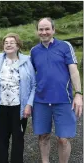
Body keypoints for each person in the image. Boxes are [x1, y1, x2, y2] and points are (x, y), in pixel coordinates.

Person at [30, 17, 83, 163]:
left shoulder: (65, 46)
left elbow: (74, 71)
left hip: (63, 100)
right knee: (43, 136)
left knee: (63, 139)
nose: (44, 32)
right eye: (41, 29)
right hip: (40, 101)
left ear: (53, 30)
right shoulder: (34, 51)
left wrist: (78, 94)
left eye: (47, 29)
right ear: (37, 31)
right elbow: (29, 75)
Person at [0, 33, 36, 163]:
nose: (8, 44)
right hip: (2, 106)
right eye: (6, 42)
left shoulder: (26, 61)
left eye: (12, 42)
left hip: (19, 107)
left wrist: (29, 104)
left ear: (18, 46)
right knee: (2, 138)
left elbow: (33, 85)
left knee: (18, 138)